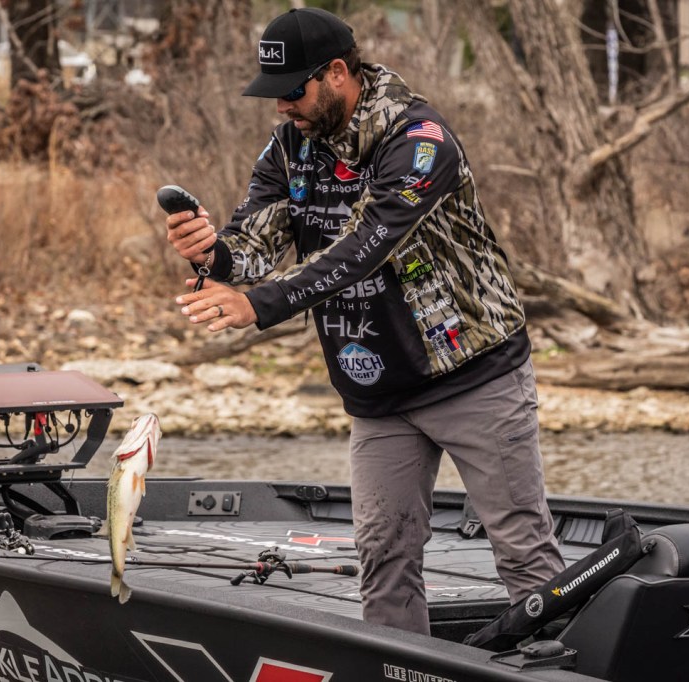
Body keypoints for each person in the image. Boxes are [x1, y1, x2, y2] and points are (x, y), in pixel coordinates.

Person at [165, 7, 565, 636]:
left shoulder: (420, 140)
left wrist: (260, 304)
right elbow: (255, 242)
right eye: (274, 94)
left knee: (524, 552)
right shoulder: (289, 145)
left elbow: (364, 246)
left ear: (336, 73)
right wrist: (211, 253)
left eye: (292, 92)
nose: (282, 107)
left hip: (476, 379)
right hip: (379, 394)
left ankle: (560, 666)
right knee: (383, 560)